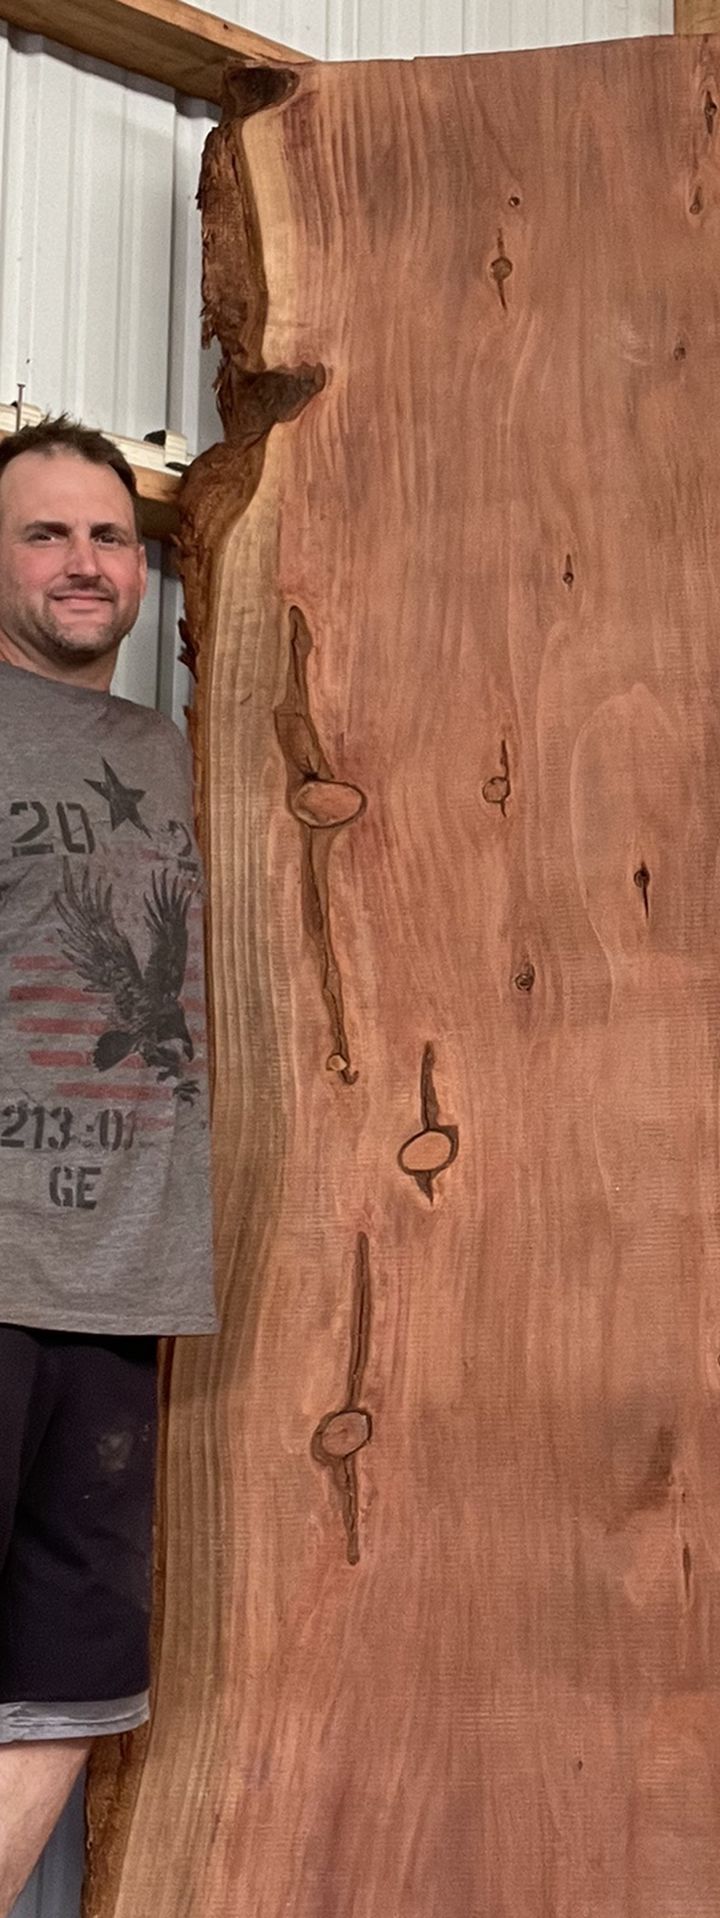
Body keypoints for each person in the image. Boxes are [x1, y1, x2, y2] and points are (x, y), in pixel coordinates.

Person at [0, 417, 215, 1914]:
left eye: (109, 537)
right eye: (45, 534)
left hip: (127, 1289)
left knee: (74, 1680)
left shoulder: (166, 751)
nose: (84, 563)